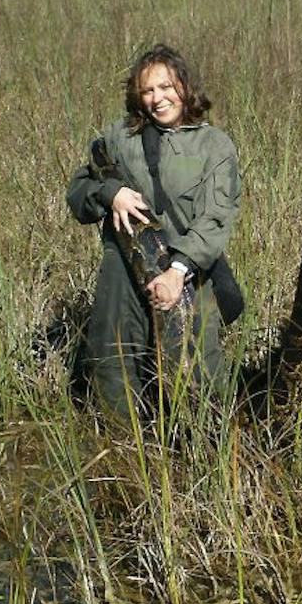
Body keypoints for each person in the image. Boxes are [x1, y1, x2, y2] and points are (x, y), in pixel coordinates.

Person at [66, 44, 242, 422]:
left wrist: (178, 271)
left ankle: (201, 457)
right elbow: (79, 194)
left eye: (166, 87)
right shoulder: (119, 138)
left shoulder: (214, 146)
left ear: (184, 85)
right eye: (148, 91)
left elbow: (215, 217)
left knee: (201, 376)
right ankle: (122, 452)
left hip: (190, 268)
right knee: (114, 361)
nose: (158, 98)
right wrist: (109, 193)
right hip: (123, 265)